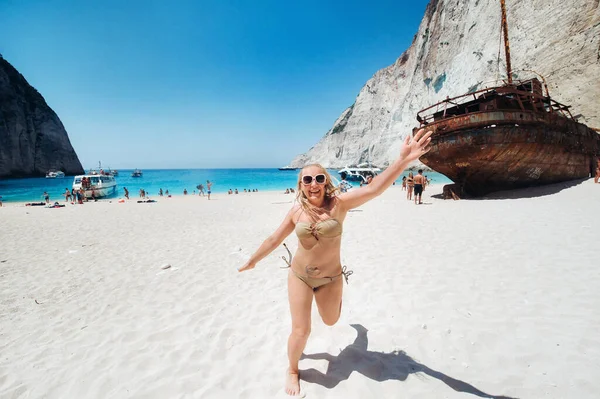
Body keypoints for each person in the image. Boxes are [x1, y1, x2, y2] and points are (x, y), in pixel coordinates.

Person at [238, 129, 432, 396]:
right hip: (300, 277)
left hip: (331, 279)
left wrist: (402, 161)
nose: (313, 183)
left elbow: (375, 188)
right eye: (307, 179)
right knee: (301, 329)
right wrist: (253, 260)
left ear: (325, 181)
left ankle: (348, 319)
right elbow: (273, 239)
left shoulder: (339, 204)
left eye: (319, 178)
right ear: (301, 185)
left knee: (330, 321)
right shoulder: (296, 211)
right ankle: (293, 370)